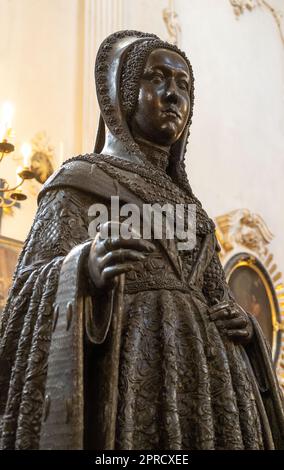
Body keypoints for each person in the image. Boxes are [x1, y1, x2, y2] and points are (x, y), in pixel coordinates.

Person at [0, 30, 283, 450]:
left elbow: (215, 295)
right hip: (133, 375)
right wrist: (86, 267)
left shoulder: (195, 213)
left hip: (214, 389)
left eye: (183, 85)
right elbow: (26, 294)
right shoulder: (81, 181)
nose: (173, 95)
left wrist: (246, 327)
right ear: (124, 93)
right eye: (157, 79)